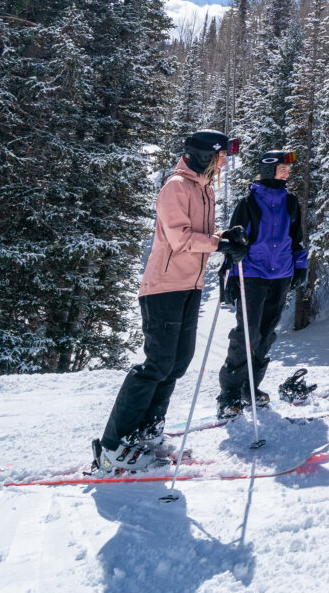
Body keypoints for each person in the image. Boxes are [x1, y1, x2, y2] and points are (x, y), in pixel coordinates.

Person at [93, 131, 249, 473]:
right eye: (220, 155)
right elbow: (179, 238)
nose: (223, 162)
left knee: (177, 364)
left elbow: (198, 236)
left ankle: (147, 433)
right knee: (156, 365)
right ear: (201, 154)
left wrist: (225, 237)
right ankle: (113, 446)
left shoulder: (203, 189)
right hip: (163, 288)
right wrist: (218, 245)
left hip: (189, 286)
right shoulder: (176, 186)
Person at [216, 149, 309, 417]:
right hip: (252, 274)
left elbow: (296, 239)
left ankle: (249, 388)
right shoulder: (248, 204)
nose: (287, 172)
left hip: (281, 274)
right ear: (269, 169)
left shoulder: (290, 202)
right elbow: (234, 244)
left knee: (266, 334)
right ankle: (229, 393)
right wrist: (232, 277)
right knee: (247, 333)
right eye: (283, 168)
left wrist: (299, 266)